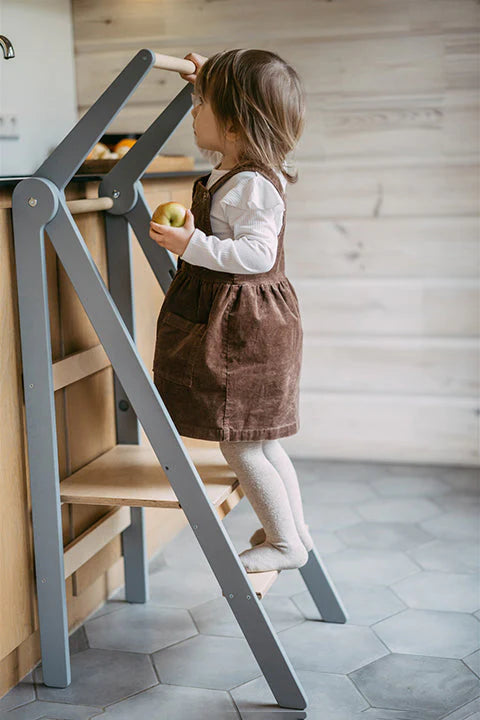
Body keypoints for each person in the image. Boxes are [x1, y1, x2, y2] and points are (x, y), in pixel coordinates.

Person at [149, 49, 313, 573]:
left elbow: (256, 255)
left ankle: (287, 544)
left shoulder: (250, 184)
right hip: (253, 322)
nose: (193, 113)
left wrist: (190, 243)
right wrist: (209, 76)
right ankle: (295, 532)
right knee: (260, 442)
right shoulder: (242, 170)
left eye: (201, 104)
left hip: (246, 329)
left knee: (241, 447)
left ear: (235, 125)